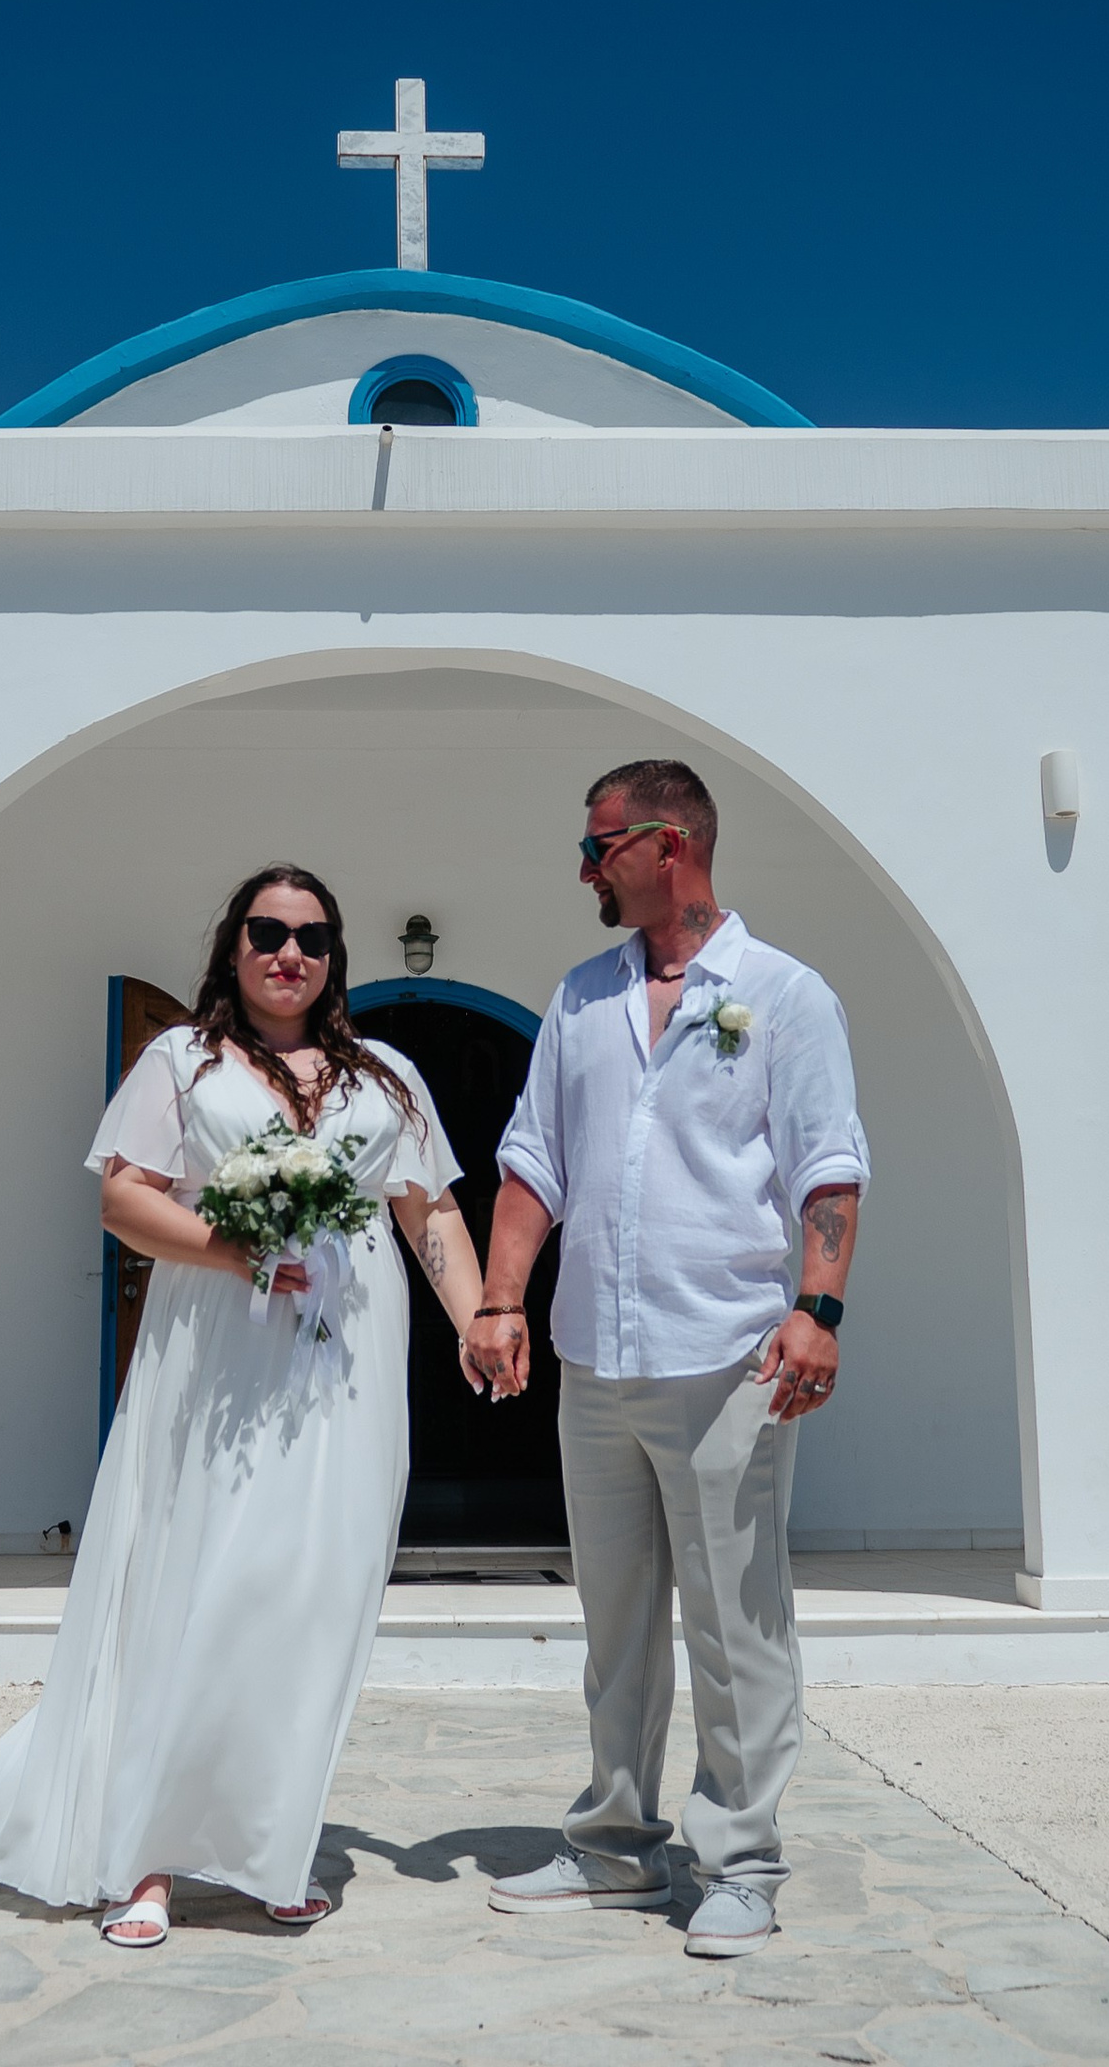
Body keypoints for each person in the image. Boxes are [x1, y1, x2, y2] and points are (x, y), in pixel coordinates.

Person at [0, 863, 499, 1949]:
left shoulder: (388, 1076)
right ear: (233, 946)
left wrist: (476, 1318)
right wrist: (233, 1248)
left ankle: (270, 1847)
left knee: (309, 1599)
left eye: (314, 936)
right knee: (200, 1586)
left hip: (348, 1374)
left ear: (336, 956)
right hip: (221, 1363)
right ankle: (146, 1860)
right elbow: (123, 1197)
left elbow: (430, 1215)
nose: (291, 952)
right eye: (267, 931)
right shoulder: (178, 1060)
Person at [467, 759, 867, 1960]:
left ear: (668, 842)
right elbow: (534, 1162)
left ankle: (740, 1857)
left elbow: (825, 1165)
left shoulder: (786, 996)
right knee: (617, 1616)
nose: (584, 868)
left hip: (730, 1359)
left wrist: (819, 1308)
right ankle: (610, 1847)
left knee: (737, 1622)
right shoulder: (580, 999)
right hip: (597, 1356)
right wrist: (498, 1298)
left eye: (598, 846)